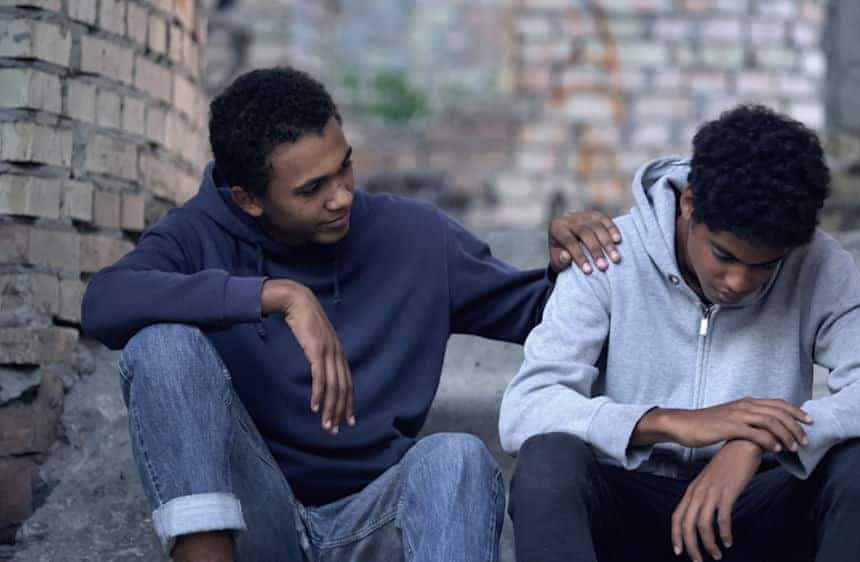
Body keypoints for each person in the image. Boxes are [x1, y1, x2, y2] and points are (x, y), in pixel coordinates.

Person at [81, 66, 622, 562]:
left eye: (345, 169)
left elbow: (540, 316)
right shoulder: (198, 233)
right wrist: (276, 295)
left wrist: (569, 270)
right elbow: (105, 303)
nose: (340, 197)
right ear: (248, 199)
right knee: (164, 346)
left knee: (457, 457)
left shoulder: (414, 237)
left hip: (375, 518)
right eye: (312, 189)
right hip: (255, 517)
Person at [499, 105, 860, 562]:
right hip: (631, 513)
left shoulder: (819, 264)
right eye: (723, 255)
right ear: (689, 204)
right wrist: (672, 423)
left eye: (765, 265)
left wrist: (756, 439)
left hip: (751, 511)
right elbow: (526, 408)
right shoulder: (607, 257)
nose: (739, 282)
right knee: (548, 461)